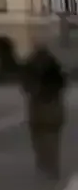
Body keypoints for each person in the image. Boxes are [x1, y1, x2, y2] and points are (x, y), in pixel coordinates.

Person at [21, 46, 67, 180]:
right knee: (51, 141)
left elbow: (26, 87)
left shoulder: (30, 69)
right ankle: (51, 166)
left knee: (39, 140)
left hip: (39, 110)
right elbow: (62, 85)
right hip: (53, 109)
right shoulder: (55, 69)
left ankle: (44, 165)